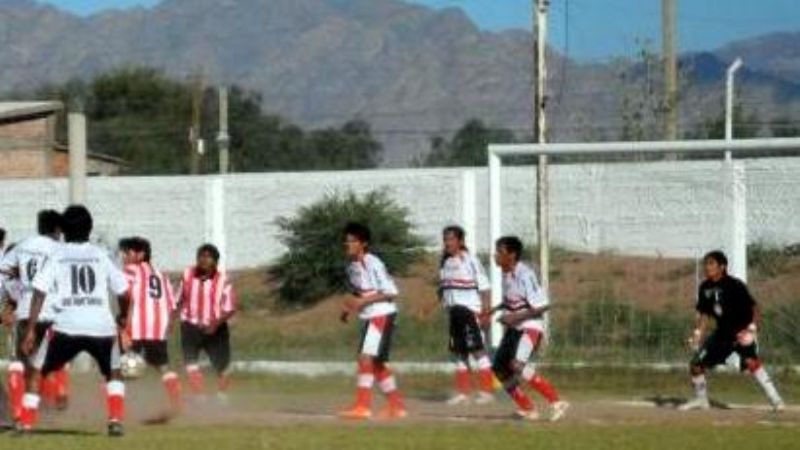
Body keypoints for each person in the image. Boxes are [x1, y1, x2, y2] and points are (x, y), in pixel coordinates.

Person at [20, 205, 131, 436]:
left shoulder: (57, 255)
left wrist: (31, 329)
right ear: (89, 229)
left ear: (64, 230)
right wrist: (123, 316)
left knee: (37, 370)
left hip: (66, 326)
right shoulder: (101, 255)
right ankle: (115, 420)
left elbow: (39, 291)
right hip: (102, 327)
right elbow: (124, 291)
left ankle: (27, 423)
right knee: (113, 372)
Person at [679, 250, 785, 412]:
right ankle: (701, 401)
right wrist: (698, 334)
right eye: (706, 264)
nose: (707, 267)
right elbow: (705, 313)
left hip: (741, 332)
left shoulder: (735, 285)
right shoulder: (705, 287)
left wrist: (752, 329)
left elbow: (754, 308)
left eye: (711, 264)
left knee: (751, 362)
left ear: (722, 266)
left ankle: (776, 400)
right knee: (695, 366)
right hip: (722, 335)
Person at [0, 211, 71, 424]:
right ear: (57, 230)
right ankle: (58, 391)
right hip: (55, 311)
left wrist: (12, 299)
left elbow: (4, 271)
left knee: (21, 363)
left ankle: (20, 414)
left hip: (25, 312)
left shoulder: (22, 246)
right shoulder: (62, 250)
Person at [492, 236, 569, 422]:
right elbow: (514, 301)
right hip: (515, 327)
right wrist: (492, 310)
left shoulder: (525, 274)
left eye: (500, 252)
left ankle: (556, 401)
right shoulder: (506, 274)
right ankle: (528, 409)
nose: (496, 256)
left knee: (517, 365)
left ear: (512, 255)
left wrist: (514, 317)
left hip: (530, 327)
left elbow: (542, 306)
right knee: (499, 369)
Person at [339, 222, 406, 420]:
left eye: (352, 241)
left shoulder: (373, 262)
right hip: (371, 315)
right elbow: (357, 292)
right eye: (346, 241)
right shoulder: (352, 267)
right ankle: (397, 406)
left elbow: (391, 292)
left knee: (365, 358)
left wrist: (363, 301)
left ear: (363, 243)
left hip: (382, 314)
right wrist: (347, 308)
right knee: (375, 363)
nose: (347, 244)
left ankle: (362, 406)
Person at [118, 237, 181, 413]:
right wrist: (167, 326)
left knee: (117, 366)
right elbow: (171, 305)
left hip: (136, 327)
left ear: (141, 254)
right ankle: (177, 403)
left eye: (127, 252)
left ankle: (114, 409)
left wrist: (123, 320)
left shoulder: (131, 270)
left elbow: (124, 294)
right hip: (157, 328)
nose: (124, 256)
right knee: (163, 367)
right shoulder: (162, 276)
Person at [437, 225, 495, 406]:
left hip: (470, 312)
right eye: (445, 239)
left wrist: (485, 312)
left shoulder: (470, 260)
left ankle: (487, 392)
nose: (447, 243)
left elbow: (485, 287)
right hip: (454, 313)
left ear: (460, 241)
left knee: (477, 350)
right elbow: (444, 290)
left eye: (451, 239)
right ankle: (463, 393)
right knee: (459, 353)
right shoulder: (445, 263)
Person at [177, 244, 236, 400]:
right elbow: (178, 299)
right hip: (190, 326)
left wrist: (215, 324)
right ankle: (200, 396)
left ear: (215, 261)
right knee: (190, 363)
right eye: (200, 256)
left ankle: (221, 396)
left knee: (223, 366)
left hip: (215, 328)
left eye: (208, 256)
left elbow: (230, 308)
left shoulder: (224, 280)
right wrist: (169, 319)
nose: (203, 260)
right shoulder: (187, 274)